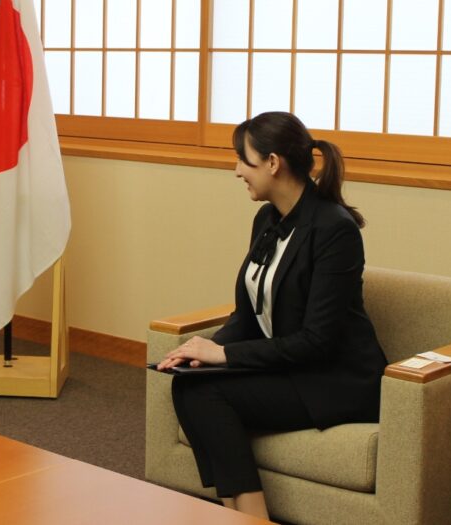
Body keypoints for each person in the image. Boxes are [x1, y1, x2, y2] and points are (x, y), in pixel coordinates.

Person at [156, 112, 387, 519]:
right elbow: (247, 317)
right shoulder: (266, 219)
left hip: (334, 378)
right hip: (290, 367)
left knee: (208, 392)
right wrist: (204, 349)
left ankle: (250, 516)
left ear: (273, 163)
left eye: (243, 160)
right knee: (189, 383)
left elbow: (318, 341)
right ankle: (239, 514)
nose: (236, 171)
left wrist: (224, 358)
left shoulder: (335, 229)